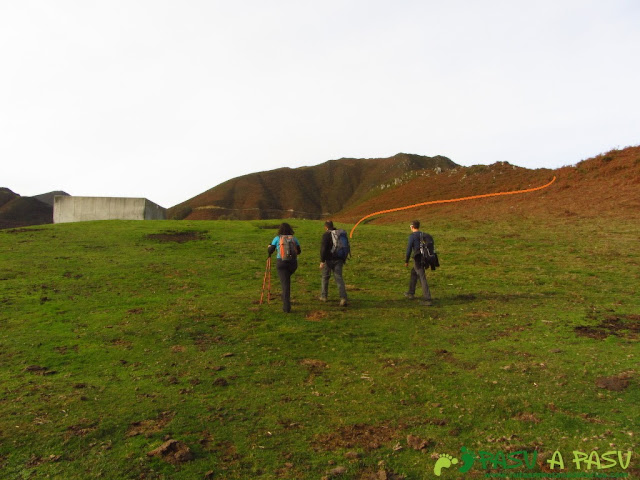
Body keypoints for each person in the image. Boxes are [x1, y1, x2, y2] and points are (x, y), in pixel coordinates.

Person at [267, 223, 301, 313]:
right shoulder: (294, 238)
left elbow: (271, 250)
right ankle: (285, 298)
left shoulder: (277, 238)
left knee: (285, 285)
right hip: (293, 264)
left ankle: (286, 307)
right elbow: (299, 251)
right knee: (286, 281)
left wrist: (269, 248)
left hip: (281, 263)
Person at [319, 220, 348, 306]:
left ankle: (323, 296)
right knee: (339, 278)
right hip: (339, 259)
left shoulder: (326, 235)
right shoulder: (339, 234)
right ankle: (343, 298)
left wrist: (322, 261)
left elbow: (323, 249)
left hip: (328, 259)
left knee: (325, 277)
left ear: (326, 227)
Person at [404, 219, 433, 306]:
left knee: (421, 277)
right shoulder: (423, 235)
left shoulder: (412, 236)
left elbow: (409, 249)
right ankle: (411, 292)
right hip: (425, 258)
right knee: (414, 272)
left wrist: (406, 261)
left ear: (412, 227)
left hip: (418, 259)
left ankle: (427, 299)